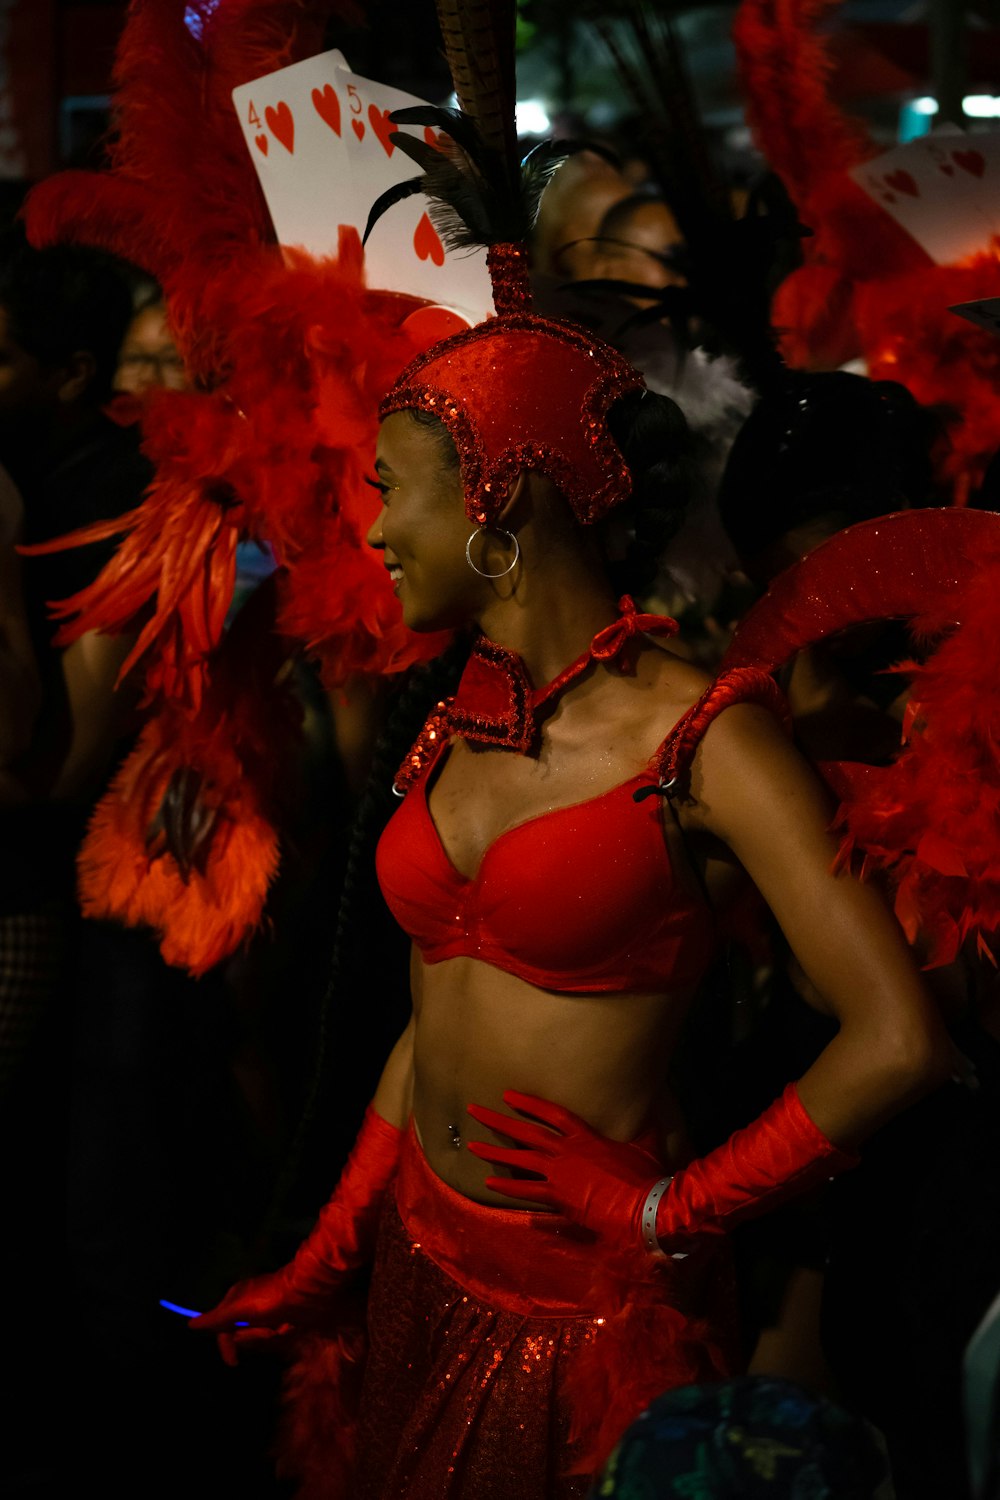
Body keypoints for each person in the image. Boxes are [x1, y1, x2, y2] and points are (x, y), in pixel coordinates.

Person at [194, 230, 950, 1498]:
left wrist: (674, 1210)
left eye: (391, 486)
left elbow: (898, 1038)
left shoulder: (706, 739)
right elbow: (435, 1018)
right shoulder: (451, 718)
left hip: (587, 1325)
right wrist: (329, 1251)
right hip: (421, 1261)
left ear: (499, 492)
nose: (369, 528)